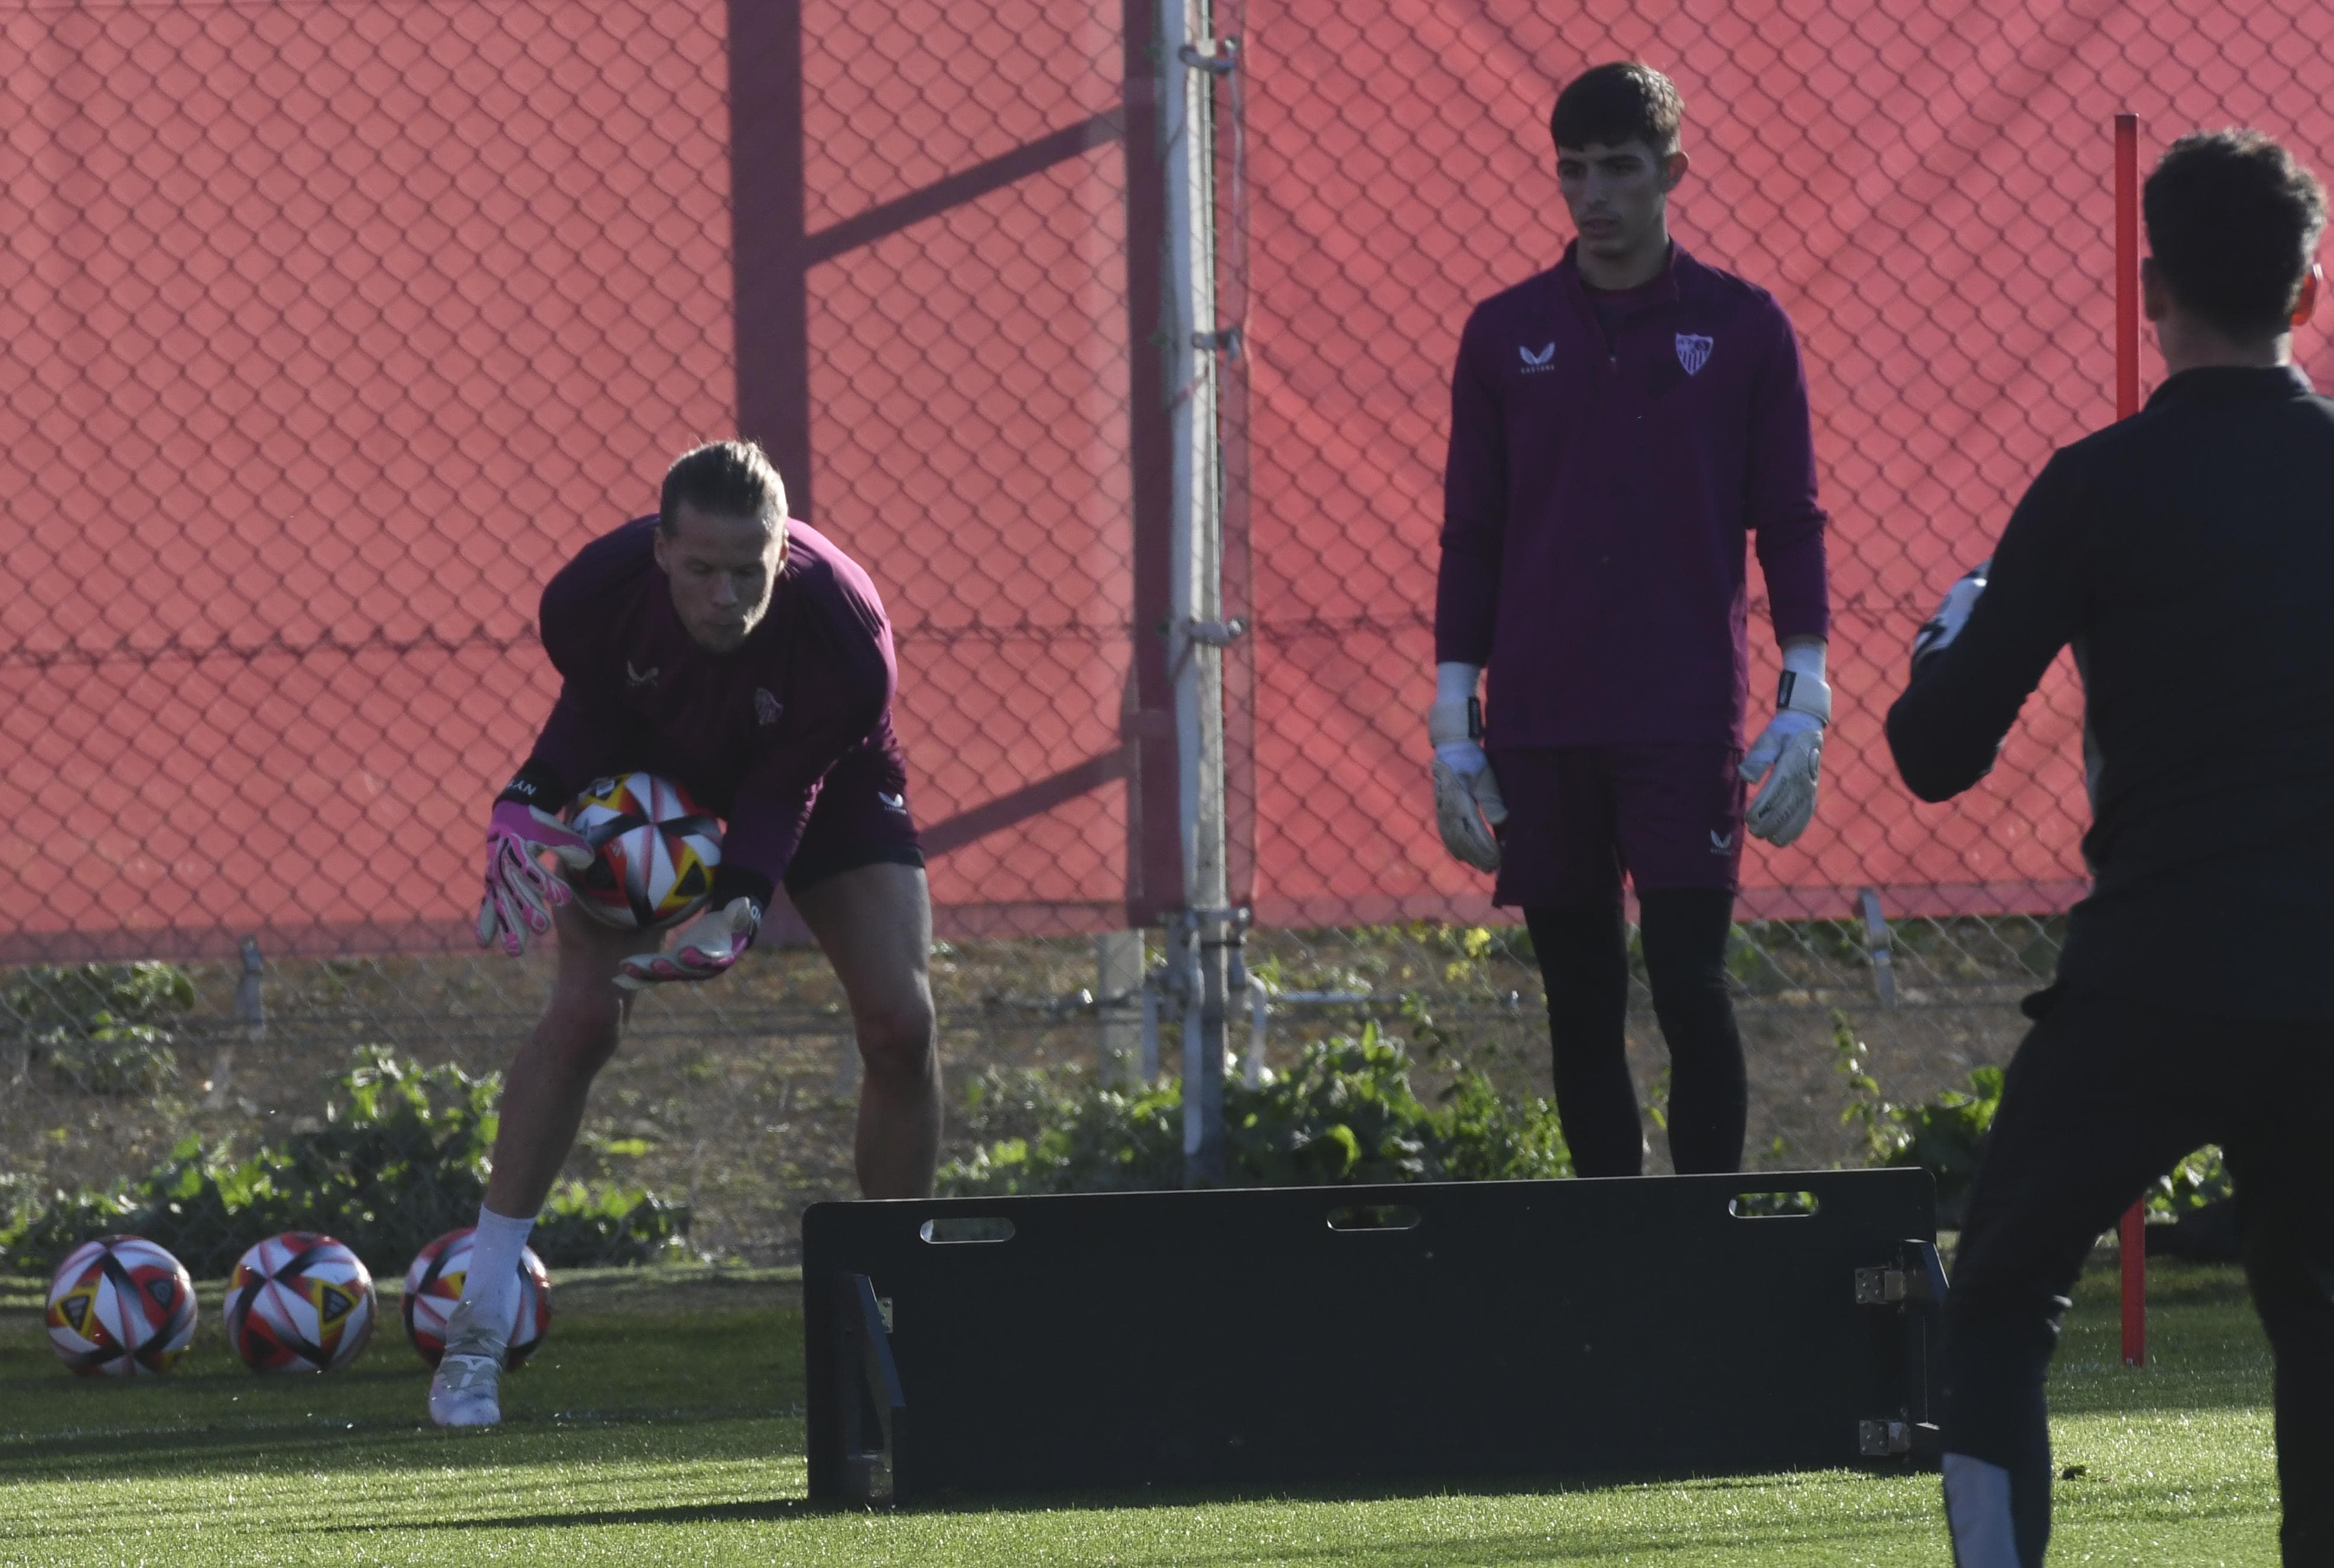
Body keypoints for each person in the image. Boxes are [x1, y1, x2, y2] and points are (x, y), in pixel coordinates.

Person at [1887, 131, 2333, 1564]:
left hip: (2154, 970)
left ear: (2150, 287)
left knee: (2001, 1296)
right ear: (2308, 289)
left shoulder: (2093, 484)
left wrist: (1946, 635)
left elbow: (1935, 752)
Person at [437, 439, 942, 1427]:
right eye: (701, 569)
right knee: (583, 1017)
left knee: (901, 1022)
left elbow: (785, 785)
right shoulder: (589, 597)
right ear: (658, 550)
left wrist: (741, 901)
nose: (724, 595)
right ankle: (476, 1329)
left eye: (749, 571)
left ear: (785, 550)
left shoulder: (843, 636)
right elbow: (591, 714)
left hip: (820, 785)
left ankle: (895, 1312)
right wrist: (521, 802)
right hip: (654, 767)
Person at [1432, 61, 1831, 1177]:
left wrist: (1806, 697)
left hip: (1680, 707)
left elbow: (1790, 522)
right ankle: (1614, 1252)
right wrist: (1452, 720)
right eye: (1572, 171)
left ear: (1672, 173)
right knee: (1579, 999)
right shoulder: (1503, 332)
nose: (1592, 194)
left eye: (1618, 168)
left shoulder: (1743, 328)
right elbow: (1472, 532)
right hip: (1542, 713)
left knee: (1691, 985)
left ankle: (1705, 1249)